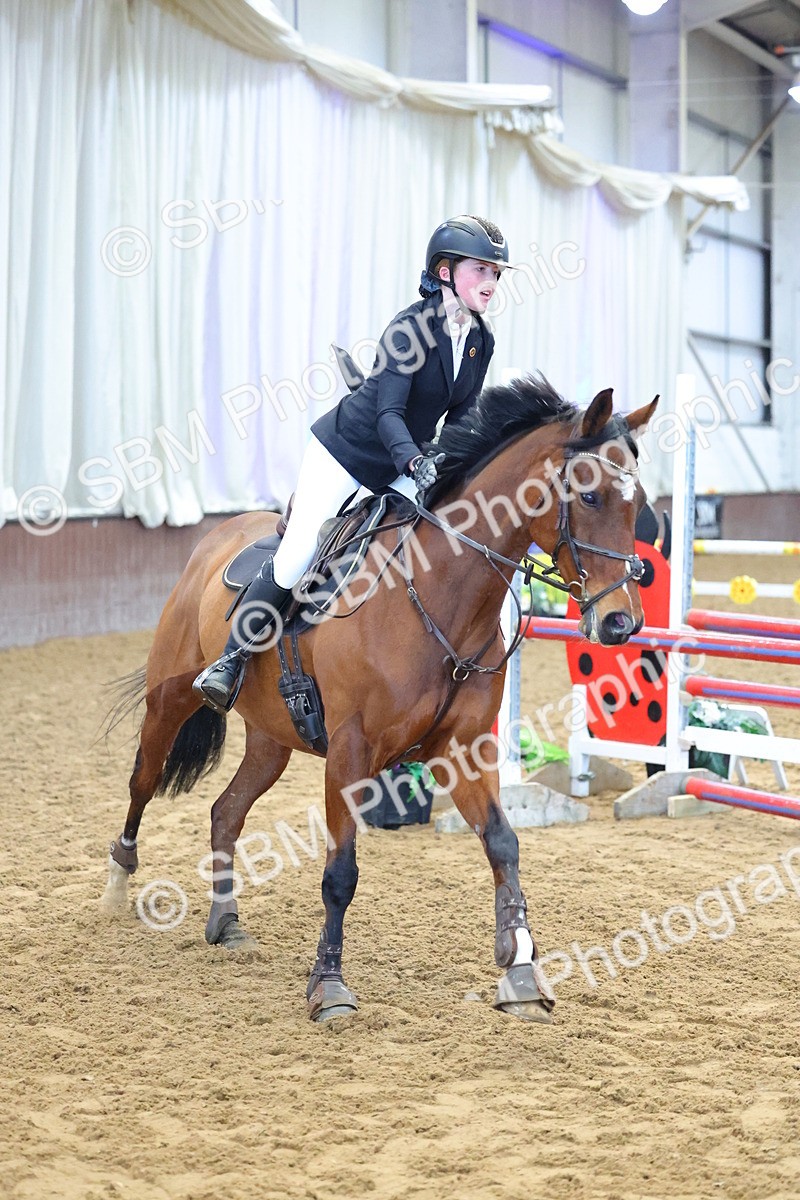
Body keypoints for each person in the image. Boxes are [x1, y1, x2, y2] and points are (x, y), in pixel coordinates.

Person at [194, 214, 510, 713]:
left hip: (406, 465)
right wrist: (413, 461)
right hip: (347, 453)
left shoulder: (479, 341)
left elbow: (461, 419)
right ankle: (229, 662)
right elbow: (388, 414)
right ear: (445, 271)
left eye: (497, 273)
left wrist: (453, 468)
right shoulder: (410, 329)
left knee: (421, 548)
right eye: (481, 270)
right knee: (298, 554)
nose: (492, 282)